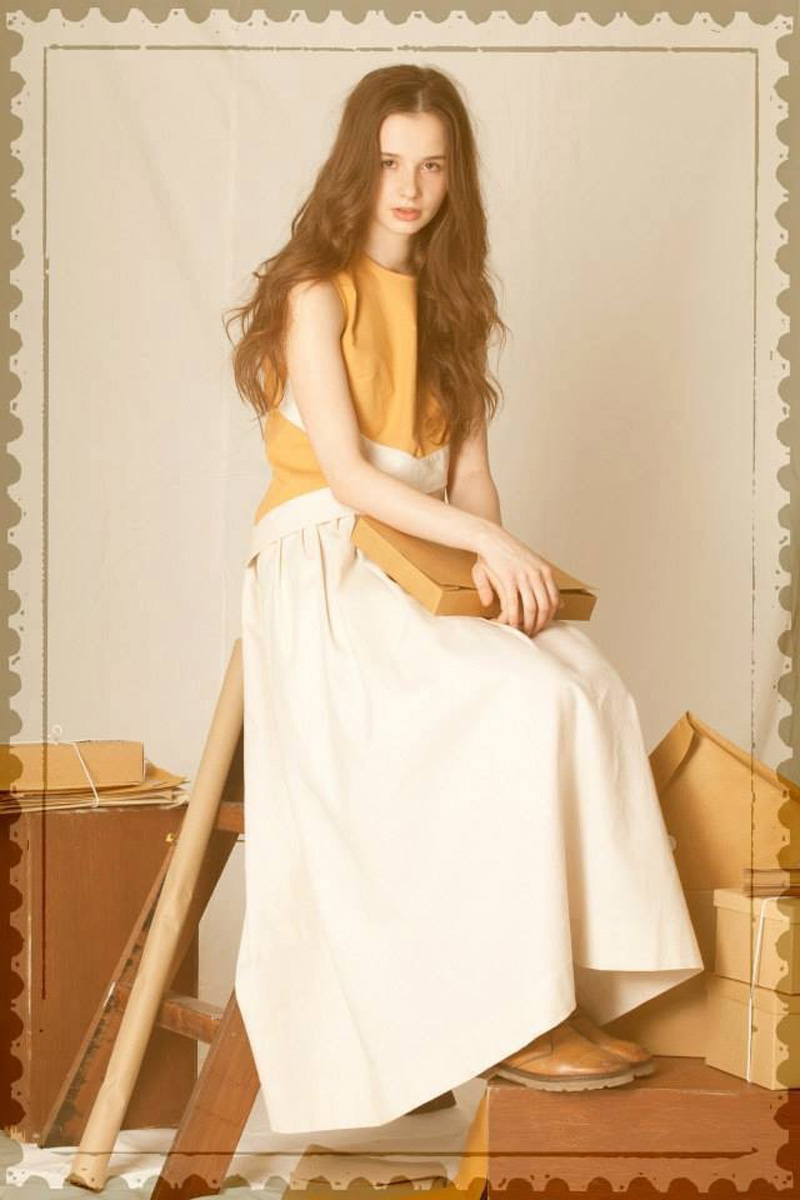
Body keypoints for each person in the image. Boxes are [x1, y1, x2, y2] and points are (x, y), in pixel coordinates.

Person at [225, 63, 704, 1135]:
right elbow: (350, 478)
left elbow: (470, 477)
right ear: (355, 167)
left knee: (583, 685)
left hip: (423, 558)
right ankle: (514, 1016)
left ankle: (562, 989)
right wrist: (483, 542)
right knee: (516, 706)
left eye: (432, 167)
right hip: (329, 566)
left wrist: (497, 570)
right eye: (389, 163)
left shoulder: (455, 308)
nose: (408, 188)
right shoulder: (317, 293)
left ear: (456, 179)